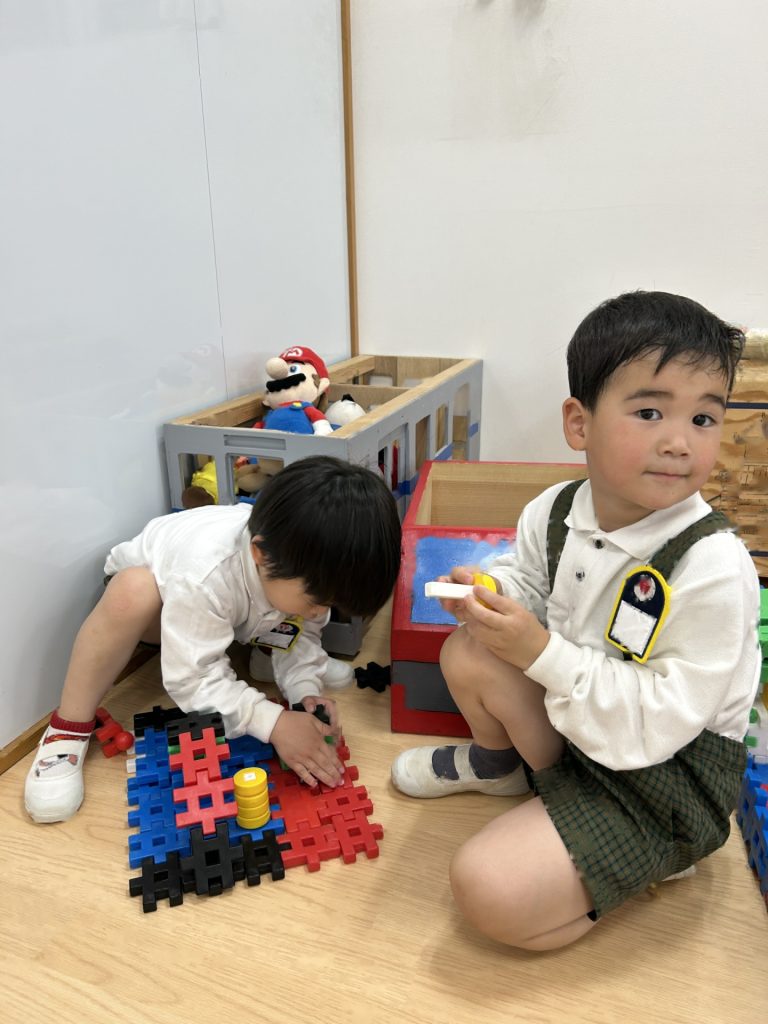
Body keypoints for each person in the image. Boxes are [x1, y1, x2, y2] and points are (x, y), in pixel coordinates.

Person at [391, 291, 762, 951]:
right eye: (649, 412)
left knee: (488, 889)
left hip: (662, 773)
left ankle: (658, 854)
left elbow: (660, 721)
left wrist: (539, 652)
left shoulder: (711, 564)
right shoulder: (557, 508)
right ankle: (504, 770)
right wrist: (491, 592)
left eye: (704, 418)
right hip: (580, 725)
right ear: (579, 423)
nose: (679, 442)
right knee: (467, 650)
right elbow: (530, 579)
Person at [25, 455, 402, 824]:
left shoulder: (291, 563)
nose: (321, 612)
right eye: (318, 601)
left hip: (230, 611)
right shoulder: (205, 574)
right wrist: (273, 722)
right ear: (260, 554)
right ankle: (66, 729)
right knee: (133, 591)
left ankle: (266, 654)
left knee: (292, 613)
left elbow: (301, 628)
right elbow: (192, 678)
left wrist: (303, 690)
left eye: (331, 604)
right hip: (156, 609)